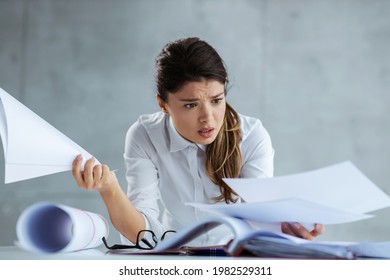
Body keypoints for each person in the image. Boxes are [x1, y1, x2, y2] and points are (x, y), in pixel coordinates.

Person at [72, 37, 324, 247]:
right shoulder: (145, 135)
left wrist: (286, 232)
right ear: (163, 105)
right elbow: (142, 232)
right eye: (191, 105)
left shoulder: (251, 136)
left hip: (237, 257)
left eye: (216, 100)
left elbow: (258, 216)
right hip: (176, 256)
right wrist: (109, 190)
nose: (208, 118)